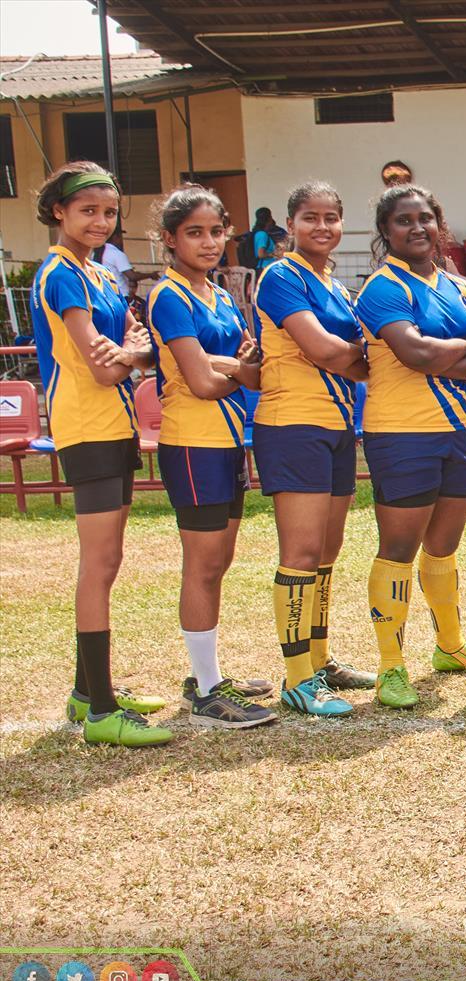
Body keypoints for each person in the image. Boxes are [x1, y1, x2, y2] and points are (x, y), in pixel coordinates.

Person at [33, 161, 171, 746]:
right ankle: (102, 712)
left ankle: (86, 690)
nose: (100, 221)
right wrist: (133, 349)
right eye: (87, 210)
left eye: (109, 212)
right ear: (59, 212)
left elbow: (133, 356)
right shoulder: (61, 273)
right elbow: (102, 362)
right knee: (99, 562)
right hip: (85, 425)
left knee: (107, 562)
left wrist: (133, 351)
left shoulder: (96, 273)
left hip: (111, 422)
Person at [354, 184, 466, 709]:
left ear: (439, 225)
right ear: (386, 231)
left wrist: (451, 353)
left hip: (455, 431)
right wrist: (463, 349)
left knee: (443, 546)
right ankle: (391, 666)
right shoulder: (381, 288)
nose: (416, 228)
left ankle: (450, 646)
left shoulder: (461, 288)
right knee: (398, 549)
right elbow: (412, 352)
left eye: (425, 218)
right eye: (403, 220)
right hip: (401, 433)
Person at [146, 184, 276, 729]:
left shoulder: (220, 294)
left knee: (218, 562)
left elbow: (252, 363)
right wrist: (236, 370)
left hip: (226, 443)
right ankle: (205, 693)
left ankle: (207, 673)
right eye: (193, 233)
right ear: (169, 239)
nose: (207, 242)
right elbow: (201, 382)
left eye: (215, 231)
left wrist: (233, 367)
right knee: (202, 565)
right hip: (192, 443)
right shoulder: (168, 295)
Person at [253, 181, 376, 717]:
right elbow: (326, 350)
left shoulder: (332, 283)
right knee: (301, 555)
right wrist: (351, 354)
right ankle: (297, 677)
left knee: (325, 553)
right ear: (290, 225)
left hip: (334, 426)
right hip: (291, 424)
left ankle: (319, 661)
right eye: (310, 218)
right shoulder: (279, 276)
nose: (322, 227)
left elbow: (351, 358)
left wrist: (348, 356)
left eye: (331, 217)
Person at [249, 207, 283, 273]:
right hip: (265, 268)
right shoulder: (262, 235)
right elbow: (261, 254)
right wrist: (274, 254)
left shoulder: (257, 233)